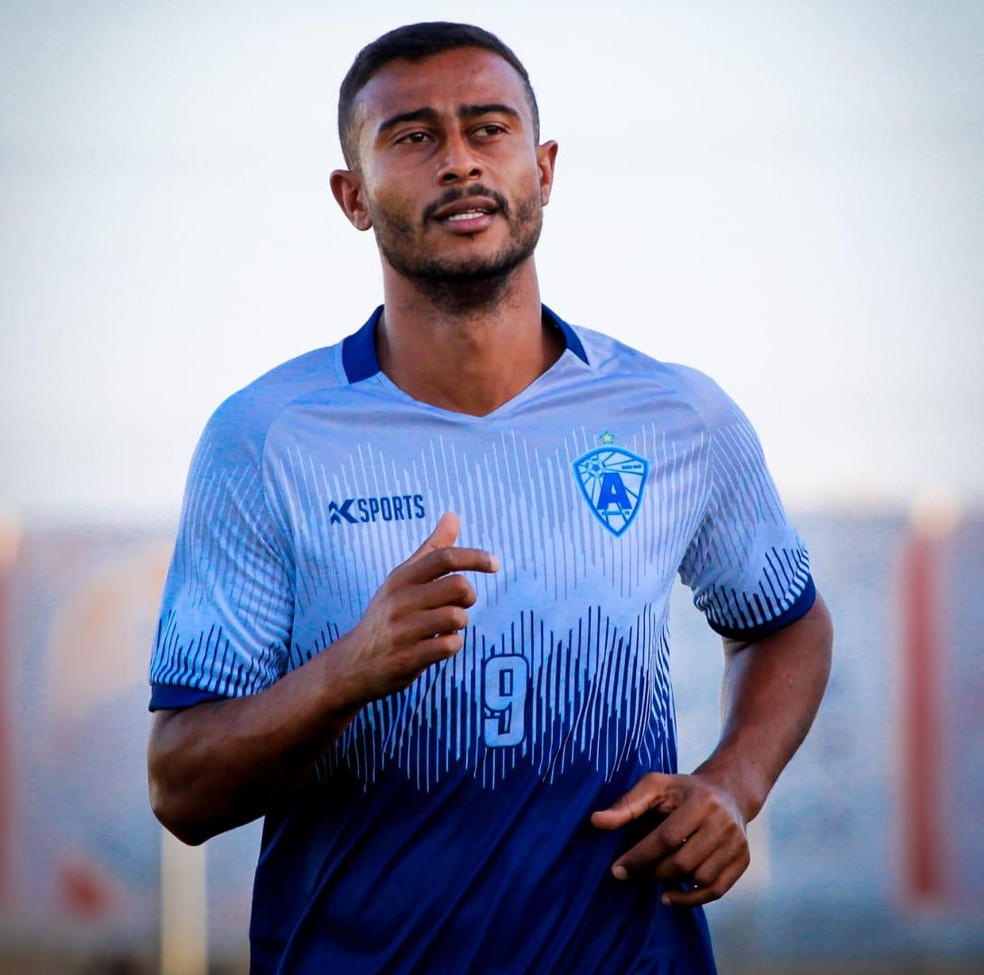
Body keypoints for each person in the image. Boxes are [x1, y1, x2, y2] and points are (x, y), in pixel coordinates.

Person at [147, 21, 833, 975]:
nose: (460, 162)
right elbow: (180, 788)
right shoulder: (265, 439)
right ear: (353, 196)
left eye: (489, 128)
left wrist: (735, 782)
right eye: (414, 137)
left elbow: (784, 622)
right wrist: (349, 670)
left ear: (543, 168)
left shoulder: (676, 415)